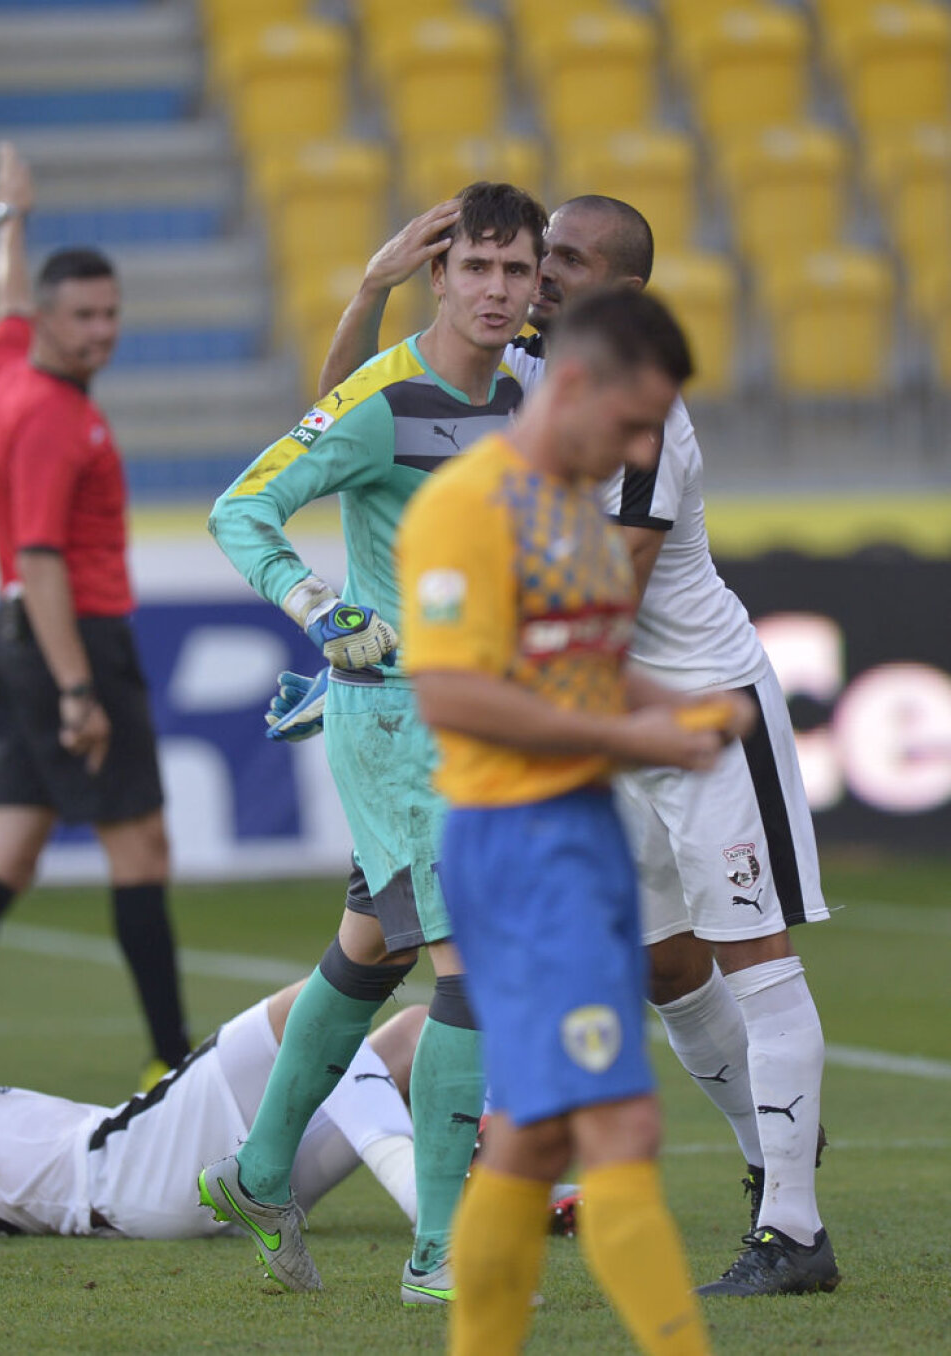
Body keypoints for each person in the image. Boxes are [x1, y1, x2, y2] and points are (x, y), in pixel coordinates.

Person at [317, 193, 840, 1298]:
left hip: (697, 707)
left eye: (565, 257)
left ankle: (794, 1230)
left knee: (754, 951)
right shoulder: (524, 370)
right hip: (612, 722)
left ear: (626, 291)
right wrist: (373, 291)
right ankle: (773, 1162)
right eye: (535, 253)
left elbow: (604, 598)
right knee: (663, 965)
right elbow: (346, 417)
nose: (538, 274)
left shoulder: (647, 417)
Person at [197, 181, 549, 1302]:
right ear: (438, 276)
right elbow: (242, 507)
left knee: (369, 958)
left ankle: (258, 1176)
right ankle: (443, 1254)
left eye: (516, 271)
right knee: (478, 974)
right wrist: (320, 607)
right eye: (477, 268)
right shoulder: (386, 400)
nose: (496, 289)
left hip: (481, 725)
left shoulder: (526, 392)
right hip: (402, 725)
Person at [397, 288, 723, 1356]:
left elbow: (587, 669)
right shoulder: (467, 507)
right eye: (635, 423)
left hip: (577, 837)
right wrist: (637, 740)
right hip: (518, 844)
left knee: (535, 1138)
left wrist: (667, 710)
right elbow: (450, 692)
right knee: (620, 1123)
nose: (643, 448)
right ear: (573, 385)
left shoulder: (575, 509)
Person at [0, 142, 189, 1093]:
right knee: (141, 848)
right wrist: (80, 687)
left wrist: (11, 218)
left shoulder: (8, 367)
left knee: (7, 847)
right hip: (69, 639)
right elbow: (41, 560)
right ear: (49, 319)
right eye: (84, 316)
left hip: (14, 642)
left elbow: (1, 301)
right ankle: (173, 1059)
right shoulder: (49, 418)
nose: (104, 331)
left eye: (113, 313)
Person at [0, 985, 424, 1242]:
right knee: (320, 1001)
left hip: (160, 1201)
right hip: (131, 1157)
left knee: (409, 1039)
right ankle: (430, 1211)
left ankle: (491, 1179)